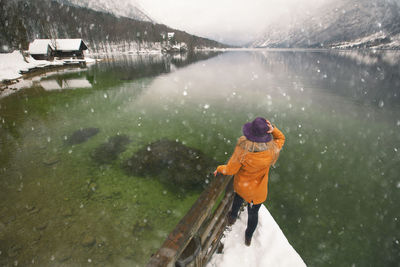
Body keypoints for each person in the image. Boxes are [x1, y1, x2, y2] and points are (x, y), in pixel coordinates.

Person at [213, 117, 285, 246]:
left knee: (238, 199)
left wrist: (219, 168)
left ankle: (232, 217)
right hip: (257, 193)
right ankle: (248, 237)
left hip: (242, 187)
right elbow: (281, 139)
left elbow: (230, 170)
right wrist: (274, 130)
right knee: (253, 214)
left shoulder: (243, 150)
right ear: (266, 133)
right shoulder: (272, 149)